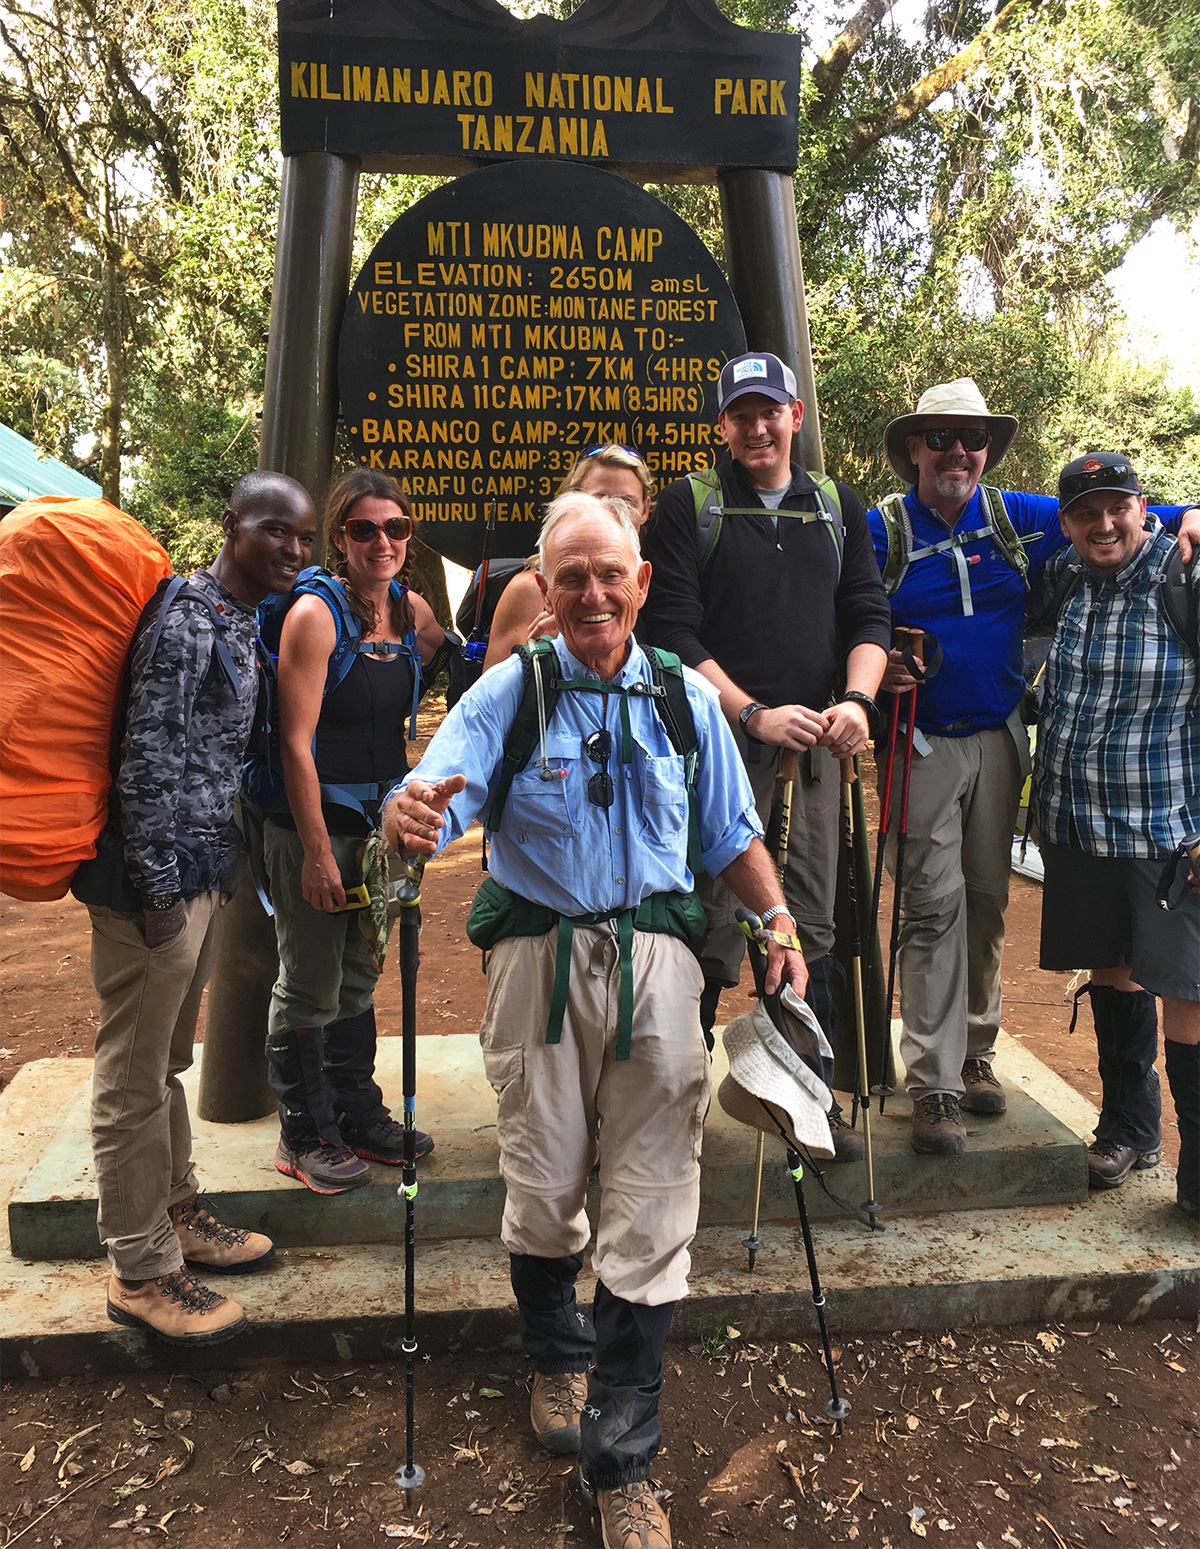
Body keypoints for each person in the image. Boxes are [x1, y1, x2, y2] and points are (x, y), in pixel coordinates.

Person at [384, 490, 807, 1549]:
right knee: (545, 1174)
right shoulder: (510, 692)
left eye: (609, 573)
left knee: (657, 1197)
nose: (591, 593)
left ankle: (625, 1461)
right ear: (544, 586)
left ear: (641, 583)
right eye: (569, 575)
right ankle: (557, 1358)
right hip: (540, 963)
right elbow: (435, 800)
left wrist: (776, 918)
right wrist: (406, 815)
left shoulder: (683, 700)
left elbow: (729, 832)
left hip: (660, 966)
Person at [868, 380, 1200, 1156]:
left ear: (988, 449)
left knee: (987, 903)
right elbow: (842, 606)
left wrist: (1192, 514)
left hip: (1001, 739)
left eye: (972, 439)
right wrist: (874, 665)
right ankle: (935, 1082)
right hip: (918, 742)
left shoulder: (1020, 516)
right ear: (914, 444)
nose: (958, 451)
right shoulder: (877, 527)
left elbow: (1129, 515)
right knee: (929, 906)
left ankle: (978, 1053)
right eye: (941, 436)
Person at [639, 351, 891, 1155]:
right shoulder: (688, 506)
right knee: (707, 925)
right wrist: (748, 712)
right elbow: (670, 630)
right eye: (740, 415)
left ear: (795, 416)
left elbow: (868, 615)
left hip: (814, 753)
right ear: (723, 426)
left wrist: (857, 698)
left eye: (769, 410)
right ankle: (672, 1103)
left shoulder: (837, 507)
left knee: (804, 923)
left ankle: (805, 1101)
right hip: (715, 748)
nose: (757, 427)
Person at [90, 471, 318, 1346]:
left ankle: (177, 1210)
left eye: (302, 536)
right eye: (275, 531)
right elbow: (147, 756)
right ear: (233, 527)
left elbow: (208, 759)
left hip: (197, 874)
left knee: (164, 1067)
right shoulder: (189, 616)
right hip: (153, 889)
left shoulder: (235, 617)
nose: (292, 549)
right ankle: (141, 1270)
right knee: (132, 1078)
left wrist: (215, 873)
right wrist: (158, 892)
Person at [265, 470, 446, 1195]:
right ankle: (302, 1131)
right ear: (340, 537)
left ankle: (354, 1110)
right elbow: (294, 743)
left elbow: (447, 650)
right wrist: (313, 849)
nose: (383, 541)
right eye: (365, 528)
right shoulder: (316, 615)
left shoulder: (407, 610)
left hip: (381, 831)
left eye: (396, 528)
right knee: (308, 979)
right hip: (313, 824)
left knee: (361, 970)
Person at [1031, 452, 1198, 1212]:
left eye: (1117, 507)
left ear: (1142, 507)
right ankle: (1130, 1125)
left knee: (1186, 989)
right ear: (1066, 523)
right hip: (1077, 820)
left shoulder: (1183, 579)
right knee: (1111, 967)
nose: (1104, 524)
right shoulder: (1065, 579)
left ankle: (1196, 1165)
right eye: (1086, 512)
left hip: (1166, 824)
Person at [483, 443, 655, 667]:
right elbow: (496, 692)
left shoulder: (662, 584)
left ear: (645, 509)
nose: (613, 511)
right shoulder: (529, 591)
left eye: (626, 502)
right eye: (600, 499)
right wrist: (536, 665)